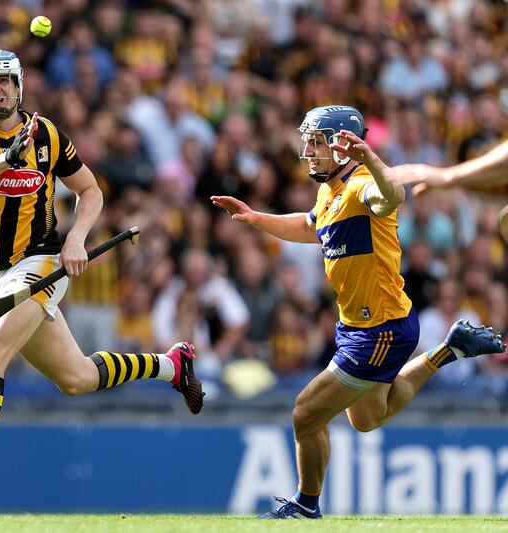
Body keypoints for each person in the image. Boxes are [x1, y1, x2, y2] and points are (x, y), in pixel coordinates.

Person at [0, 49, 204, 514]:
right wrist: (6, 159)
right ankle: (173, 365)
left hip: (43, 263)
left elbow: (91, 190)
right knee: (77, 377)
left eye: (4, 81)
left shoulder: (46, 134)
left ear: (19, 85)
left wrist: (77, 239)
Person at [212, 105, 505, 519]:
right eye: (308, 141)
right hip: (363, 325)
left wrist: (370, 157)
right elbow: (309, 226)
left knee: (305, 413)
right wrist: (256, 217)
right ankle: (450, 349)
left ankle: (305, 506)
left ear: (343, 146)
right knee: (368, 421)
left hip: (380, 329)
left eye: (317, 142)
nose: (309, 151)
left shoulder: (362, 183)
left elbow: (392, 195)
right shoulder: (330, 189)